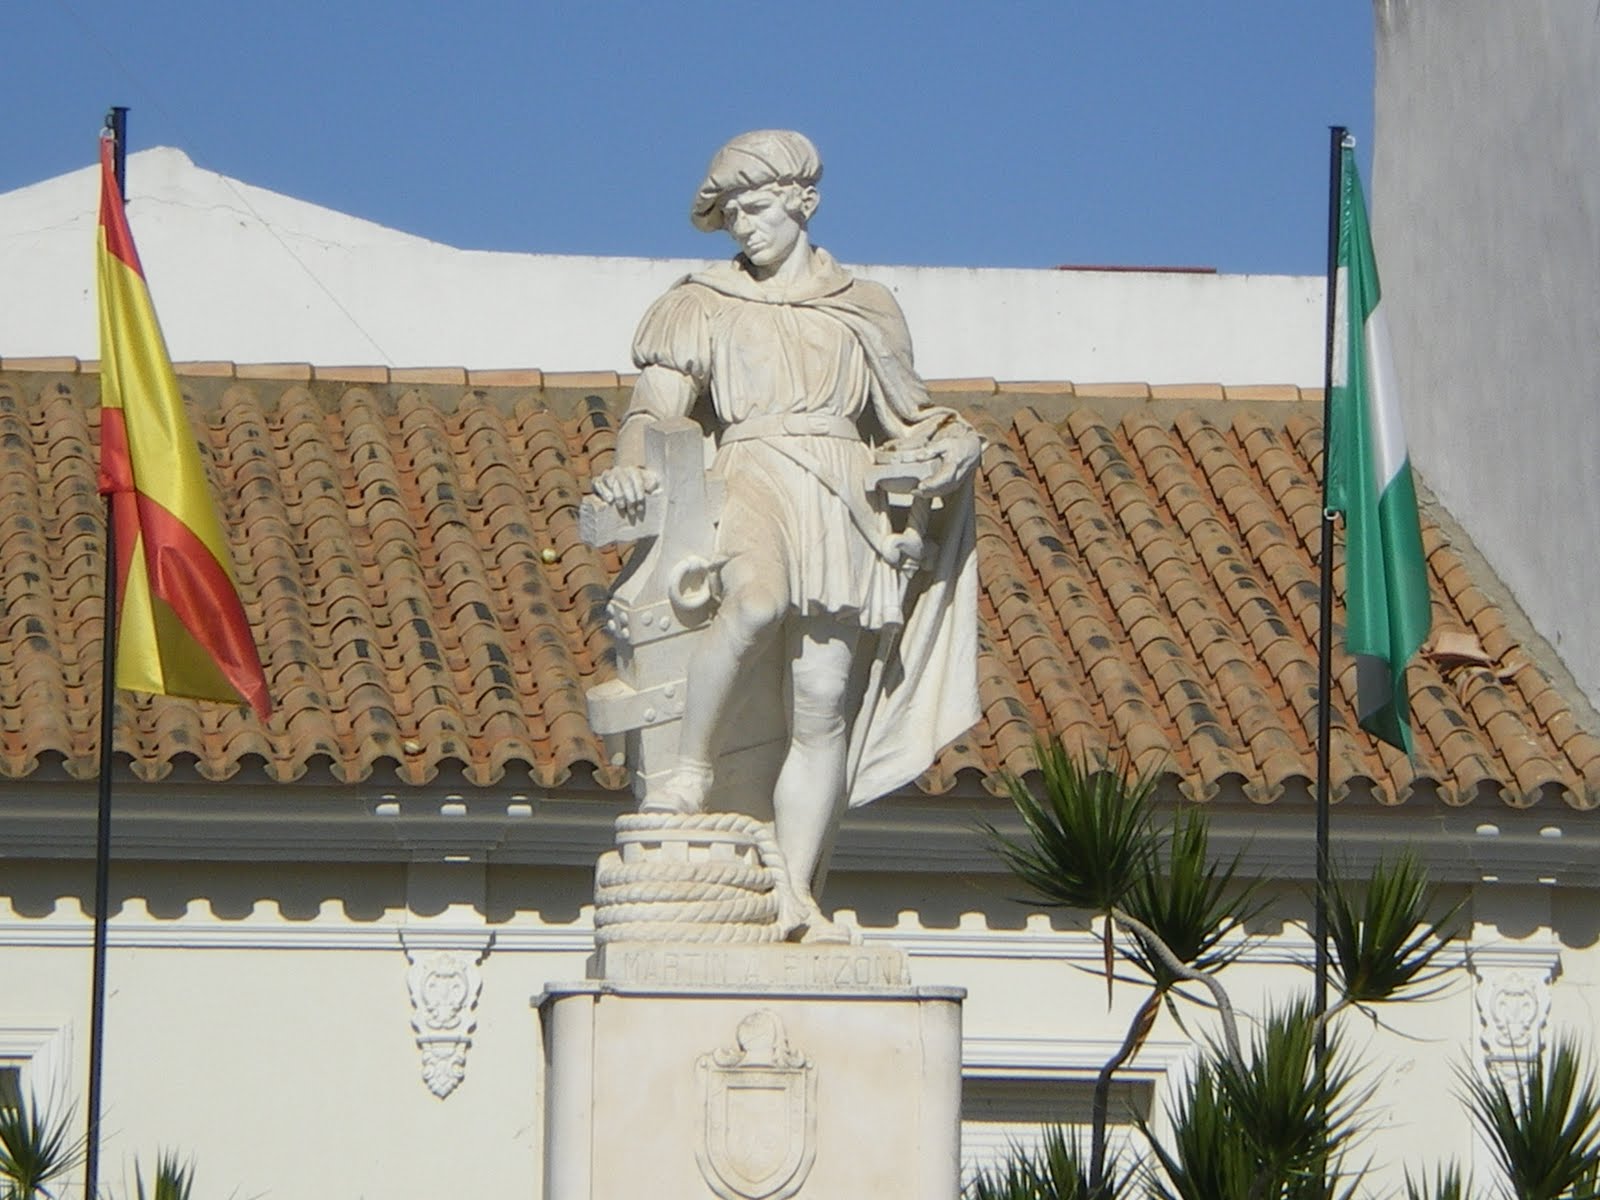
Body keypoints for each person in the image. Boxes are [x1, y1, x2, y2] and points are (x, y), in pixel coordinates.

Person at [591, 130, 980, 940]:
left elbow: (908, 415)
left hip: (841, 493)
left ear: (803, 202)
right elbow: (654, 411)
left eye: (758, 207)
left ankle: (796, 894)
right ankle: (688, 776)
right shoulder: (701, 303)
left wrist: (946, 447)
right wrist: (631, 466)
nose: (744, 226)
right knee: (757, 603)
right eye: (732, 211)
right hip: (752, 467)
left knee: (822, 702)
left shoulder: (865, 308)